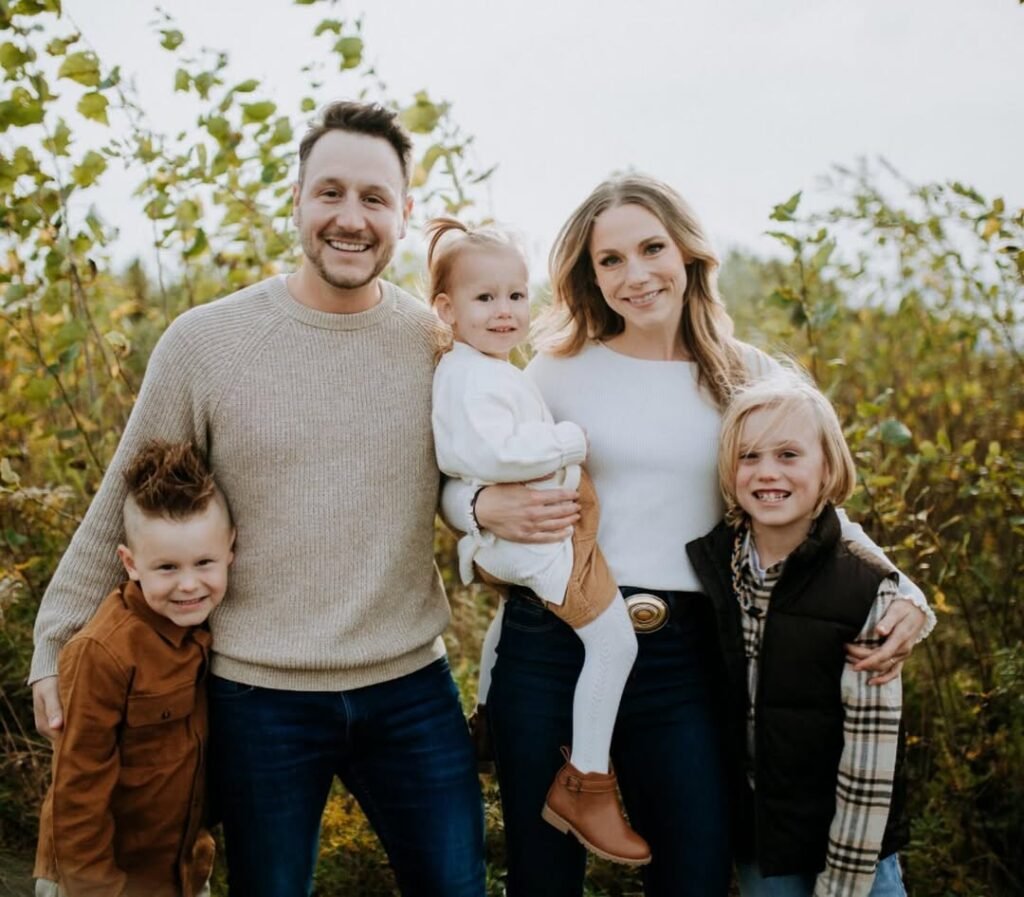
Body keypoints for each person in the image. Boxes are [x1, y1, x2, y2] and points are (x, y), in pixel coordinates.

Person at [30, 101, 486, 897]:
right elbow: (122, 503)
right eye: (331, 193)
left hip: (410, 683)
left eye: (375, 198)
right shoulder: (206, 344)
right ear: (297, 201)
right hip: (257, 694)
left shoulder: (437, 347)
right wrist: (56, 641)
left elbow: (477, 474)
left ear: (405, 213)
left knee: (456, 887)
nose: (352, 218)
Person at [442, 174, 934, 897]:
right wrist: (477, 506)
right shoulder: (555, 369)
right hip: (551, 645)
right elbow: (463, 471)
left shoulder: (746, 374)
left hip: (687, 657)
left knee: (696, 873)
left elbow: (812, 505)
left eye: (651, 248)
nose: (636, 274)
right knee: (542, 877)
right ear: (588, 273)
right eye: (610, 260)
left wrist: (903, 587)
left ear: (689, 253)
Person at [426, 216, 649, 866]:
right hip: (537, 541)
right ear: (446, 309)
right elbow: (492, 451)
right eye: (485, 298)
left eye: (516, 295)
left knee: (513, 612)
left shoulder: (492, 367)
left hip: (534, 542)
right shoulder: (471, 375)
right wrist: (570, 440)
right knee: (613, 640)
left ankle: (488, 713)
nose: (505, 311)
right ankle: (586, 780)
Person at [686, 369, 909, 897]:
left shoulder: (866, 591)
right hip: (767, 844)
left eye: (788, 455)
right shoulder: (714, 569)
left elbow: (871, 760)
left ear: (828, 467)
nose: (767, 473)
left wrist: (843, 884)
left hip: (856, 849)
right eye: (750, 456)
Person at [34, 440, 234, 897]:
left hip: (178, 870)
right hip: (97, 876)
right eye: (166, 567)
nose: (189, 584)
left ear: (230, 553)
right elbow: (78, 790)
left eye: (204, 562)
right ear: (130, 564)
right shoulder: (103, 653)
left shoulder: (205, 633)